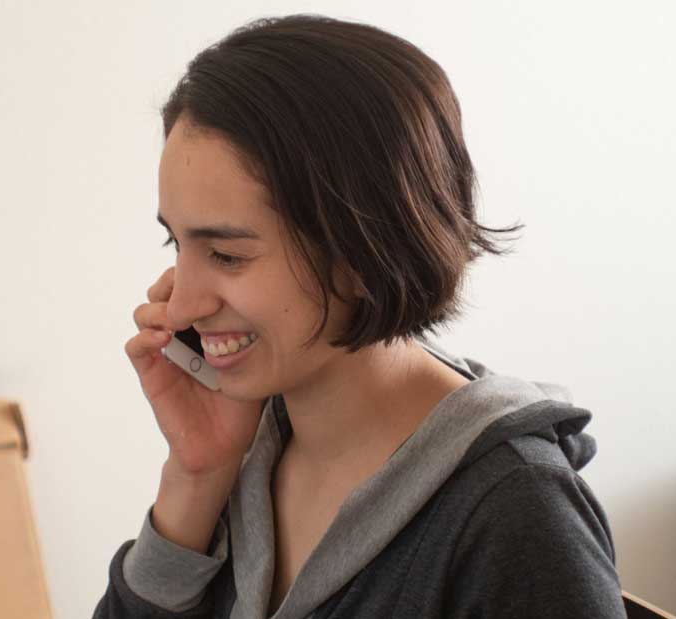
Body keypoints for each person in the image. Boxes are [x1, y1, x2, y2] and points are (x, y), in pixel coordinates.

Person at [94, 14, 626, 618]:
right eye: (177, 245)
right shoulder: (255, 442)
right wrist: (196, 475)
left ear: (363, 248)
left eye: (227, 254)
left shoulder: (517, 516)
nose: (182, 304)